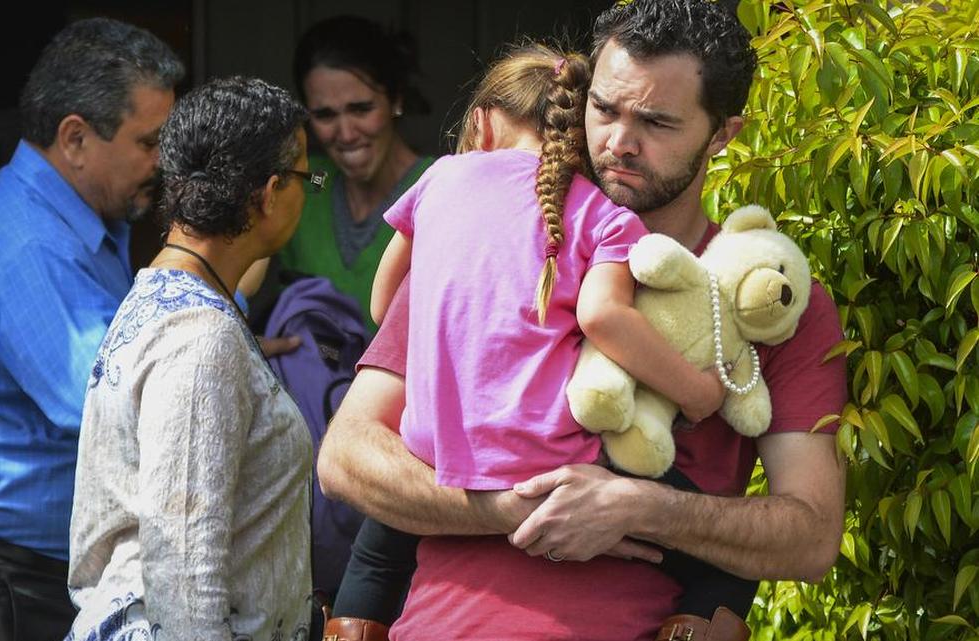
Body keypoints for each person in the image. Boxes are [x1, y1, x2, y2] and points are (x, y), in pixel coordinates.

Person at [316, 2, 849, 640]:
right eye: (605, 109)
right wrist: (509, 507)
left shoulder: (764, 294)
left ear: (722, 135)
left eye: (656, 121)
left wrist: (638, 507)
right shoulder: (481, 245)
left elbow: (812, 536)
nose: (619, 141)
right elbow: (346, 458)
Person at [0, 17, 183, 641]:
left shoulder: (80, 223)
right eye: (148, 142)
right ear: (75, 138)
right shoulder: (27, 243)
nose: (162, 163)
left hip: (18, 574)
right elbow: (108, 403)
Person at [66, 75, 315, 641]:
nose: (308, 192)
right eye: (307, 178)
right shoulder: (201, 339)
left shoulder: (159, 296)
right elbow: (183, 570)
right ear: (270, 192)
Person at [274, 14, 434, 330]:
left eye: (361, 109)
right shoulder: (300, 185)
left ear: (396, 99)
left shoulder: (438, 188)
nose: (346, 133)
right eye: (324, 115)